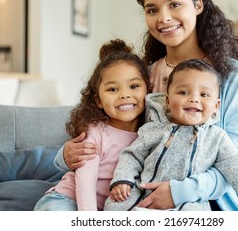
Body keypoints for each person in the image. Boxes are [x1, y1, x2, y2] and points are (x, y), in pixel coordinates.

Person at [54, 0, 238, 211]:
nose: (163, 18)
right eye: (152, 10)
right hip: (136, 198)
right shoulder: (145, 76)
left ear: (198, 5)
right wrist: (64, 157)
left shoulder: (231, 74)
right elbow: (113, 137)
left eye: (175, 4)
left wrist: (180, 192)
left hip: (205, 203)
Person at [104, 59, 238, 211]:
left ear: (216, 106)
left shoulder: (217, 138)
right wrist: (122, 180)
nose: (194, 99)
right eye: (183, 92)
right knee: (115, 204)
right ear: (167, 101)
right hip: (144, 193)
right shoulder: (153, 129)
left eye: (204, 95)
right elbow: (132, 155)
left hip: (188, 201)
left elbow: (236, 164)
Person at [34, 39, 151, 210]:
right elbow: (85, 184)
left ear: (147, 89)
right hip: (67, 200)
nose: (125, 95)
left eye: (134, 86)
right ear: (98, 101)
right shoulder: (95, 132)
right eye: (112, 89)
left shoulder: (150, 132)